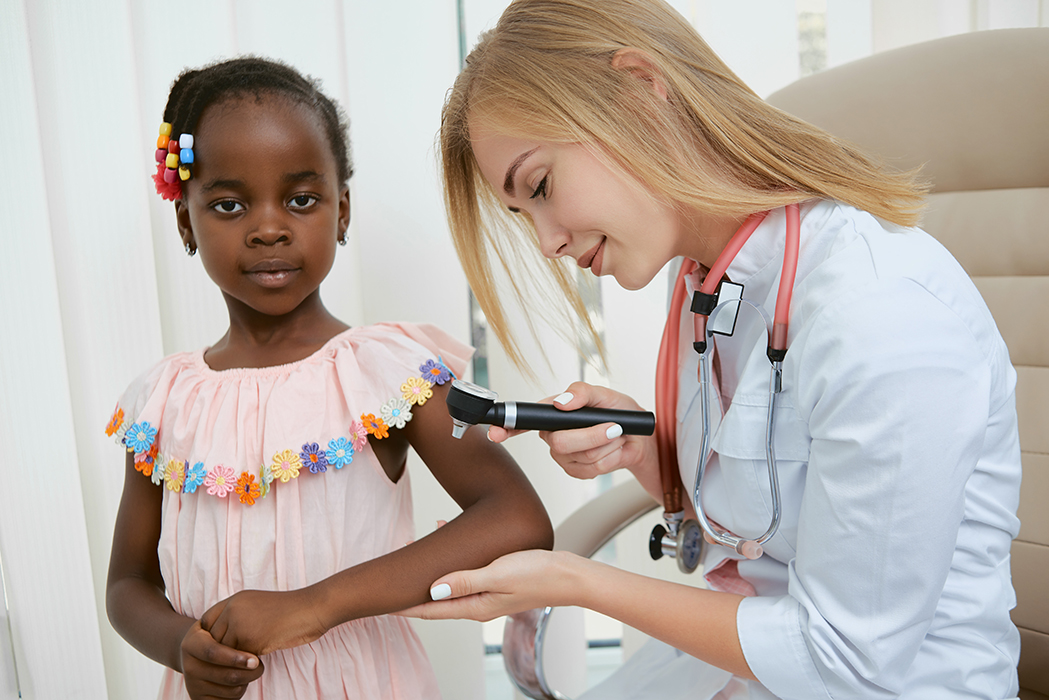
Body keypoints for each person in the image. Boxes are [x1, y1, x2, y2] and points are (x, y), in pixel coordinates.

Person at [402, 1, 1023, 698]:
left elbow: (845, 659)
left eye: (540, 186)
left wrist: (573, 582)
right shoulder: (712, 284)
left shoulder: (882, 312)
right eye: (524, 215)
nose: (546, 242)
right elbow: (766, 529)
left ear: (640, 90)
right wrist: (645, 452)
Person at [104, 56, 553, 700]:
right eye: (229, 204)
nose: (268, 228)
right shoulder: (164, 402)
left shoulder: (386, 374)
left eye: (301, 199)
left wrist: (312, 606)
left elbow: (516, 518)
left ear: (342, 213)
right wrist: (179, 645)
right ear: (186, 223)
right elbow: (127, 585)